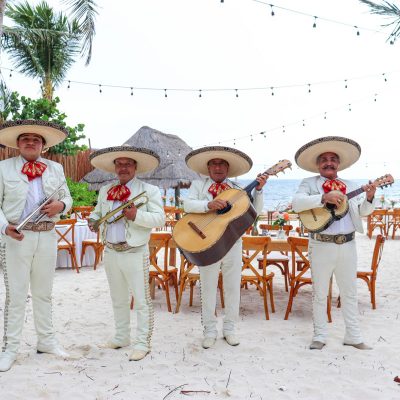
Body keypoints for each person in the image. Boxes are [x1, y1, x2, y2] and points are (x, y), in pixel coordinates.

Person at [0, 120, 73, 372]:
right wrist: (3, 227)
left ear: (43, 145)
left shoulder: (55, 168)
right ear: (18, 144)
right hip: (16, 236)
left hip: (47, 236)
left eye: (36, 139)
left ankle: (47, 341)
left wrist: (60, 206)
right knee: (16, 295)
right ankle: (10, 349)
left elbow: (67, 197)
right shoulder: (3, 168)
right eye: (25, 138)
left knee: (44, 293)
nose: (30, 142)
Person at [292, 136, 376, 350]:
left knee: (349, 292)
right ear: (318, 164)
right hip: (320, 244)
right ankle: (319, 336)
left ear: (338, 163)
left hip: (348, 244)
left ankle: (353, 336)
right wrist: (322, 198)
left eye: (333, 159)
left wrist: (369, 197)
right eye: (324, 159)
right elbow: (296, 203)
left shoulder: (352, 186)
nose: (329, 162)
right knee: (320, 293)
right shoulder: (309, 184)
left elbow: (363, 212)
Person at [184, 146, 268, 349]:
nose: (218, 167)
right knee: (208, 287)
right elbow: (186, 205)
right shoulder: (198, 185)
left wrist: (259, 189)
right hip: (207, 242)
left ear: (228, 168)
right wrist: (207, 205)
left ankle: (230, 329)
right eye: (214, 163)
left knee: (232, 287)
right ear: (208, 167)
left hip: (232, 241)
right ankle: (209, 330)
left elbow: (257, 210)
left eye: (222, 163)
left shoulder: (238, 189)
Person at [88, 145, 165, 361]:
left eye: (128, 163)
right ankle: (122, 337)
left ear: (135, 167)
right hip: (111, 251)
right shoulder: (105, 190)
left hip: (134, 251)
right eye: (119, 164)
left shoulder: (150, 191)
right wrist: (94, 220)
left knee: (141, 300)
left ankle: (143, 343)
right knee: (118, 298)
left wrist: (136, 215)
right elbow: (97, 212)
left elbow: (160, 219)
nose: (123, 167)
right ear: (114, 167)